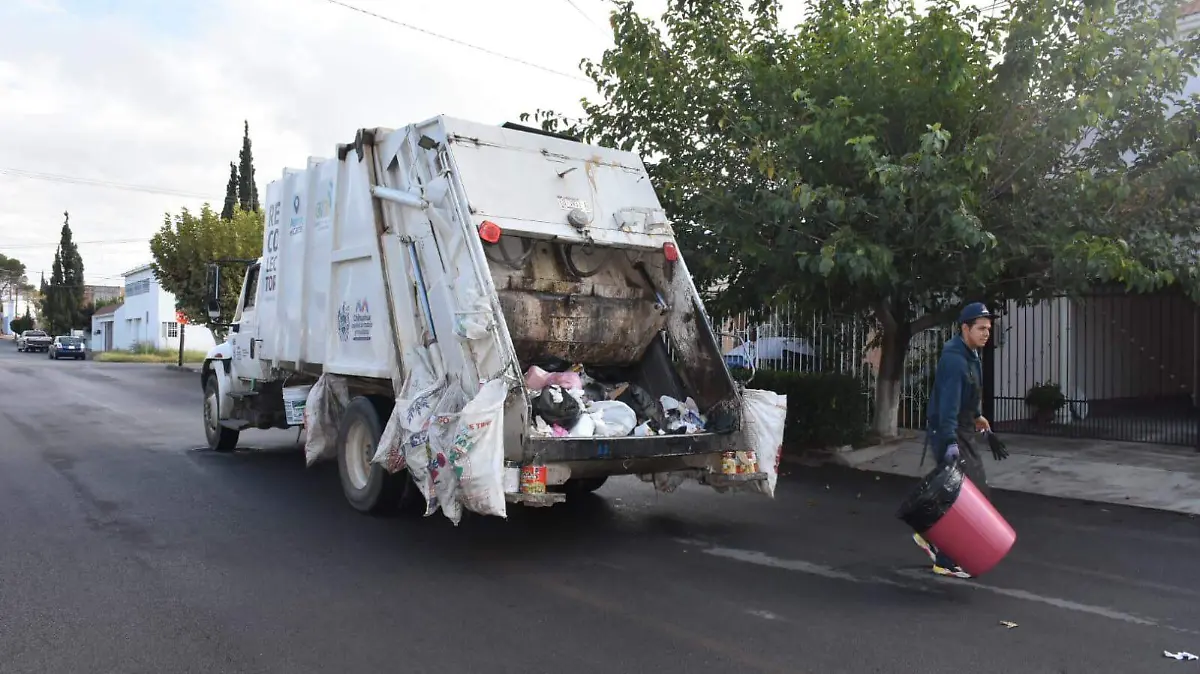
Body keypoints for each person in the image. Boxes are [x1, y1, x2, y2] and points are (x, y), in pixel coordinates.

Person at [912, 301, 1001, 578]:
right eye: (981, 328)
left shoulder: (970, 354)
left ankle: (928, 534)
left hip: (962, 429)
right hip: (950, 432)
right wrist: (950, 442)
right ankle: (945, 558)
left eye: (989, 328)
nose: (987, 333)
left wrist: (977, 415)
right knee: (966, 496)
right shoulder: (954, 359)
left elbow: (969, 391)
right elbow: (948, 406)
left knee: (964, 493)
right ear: (965, 328)